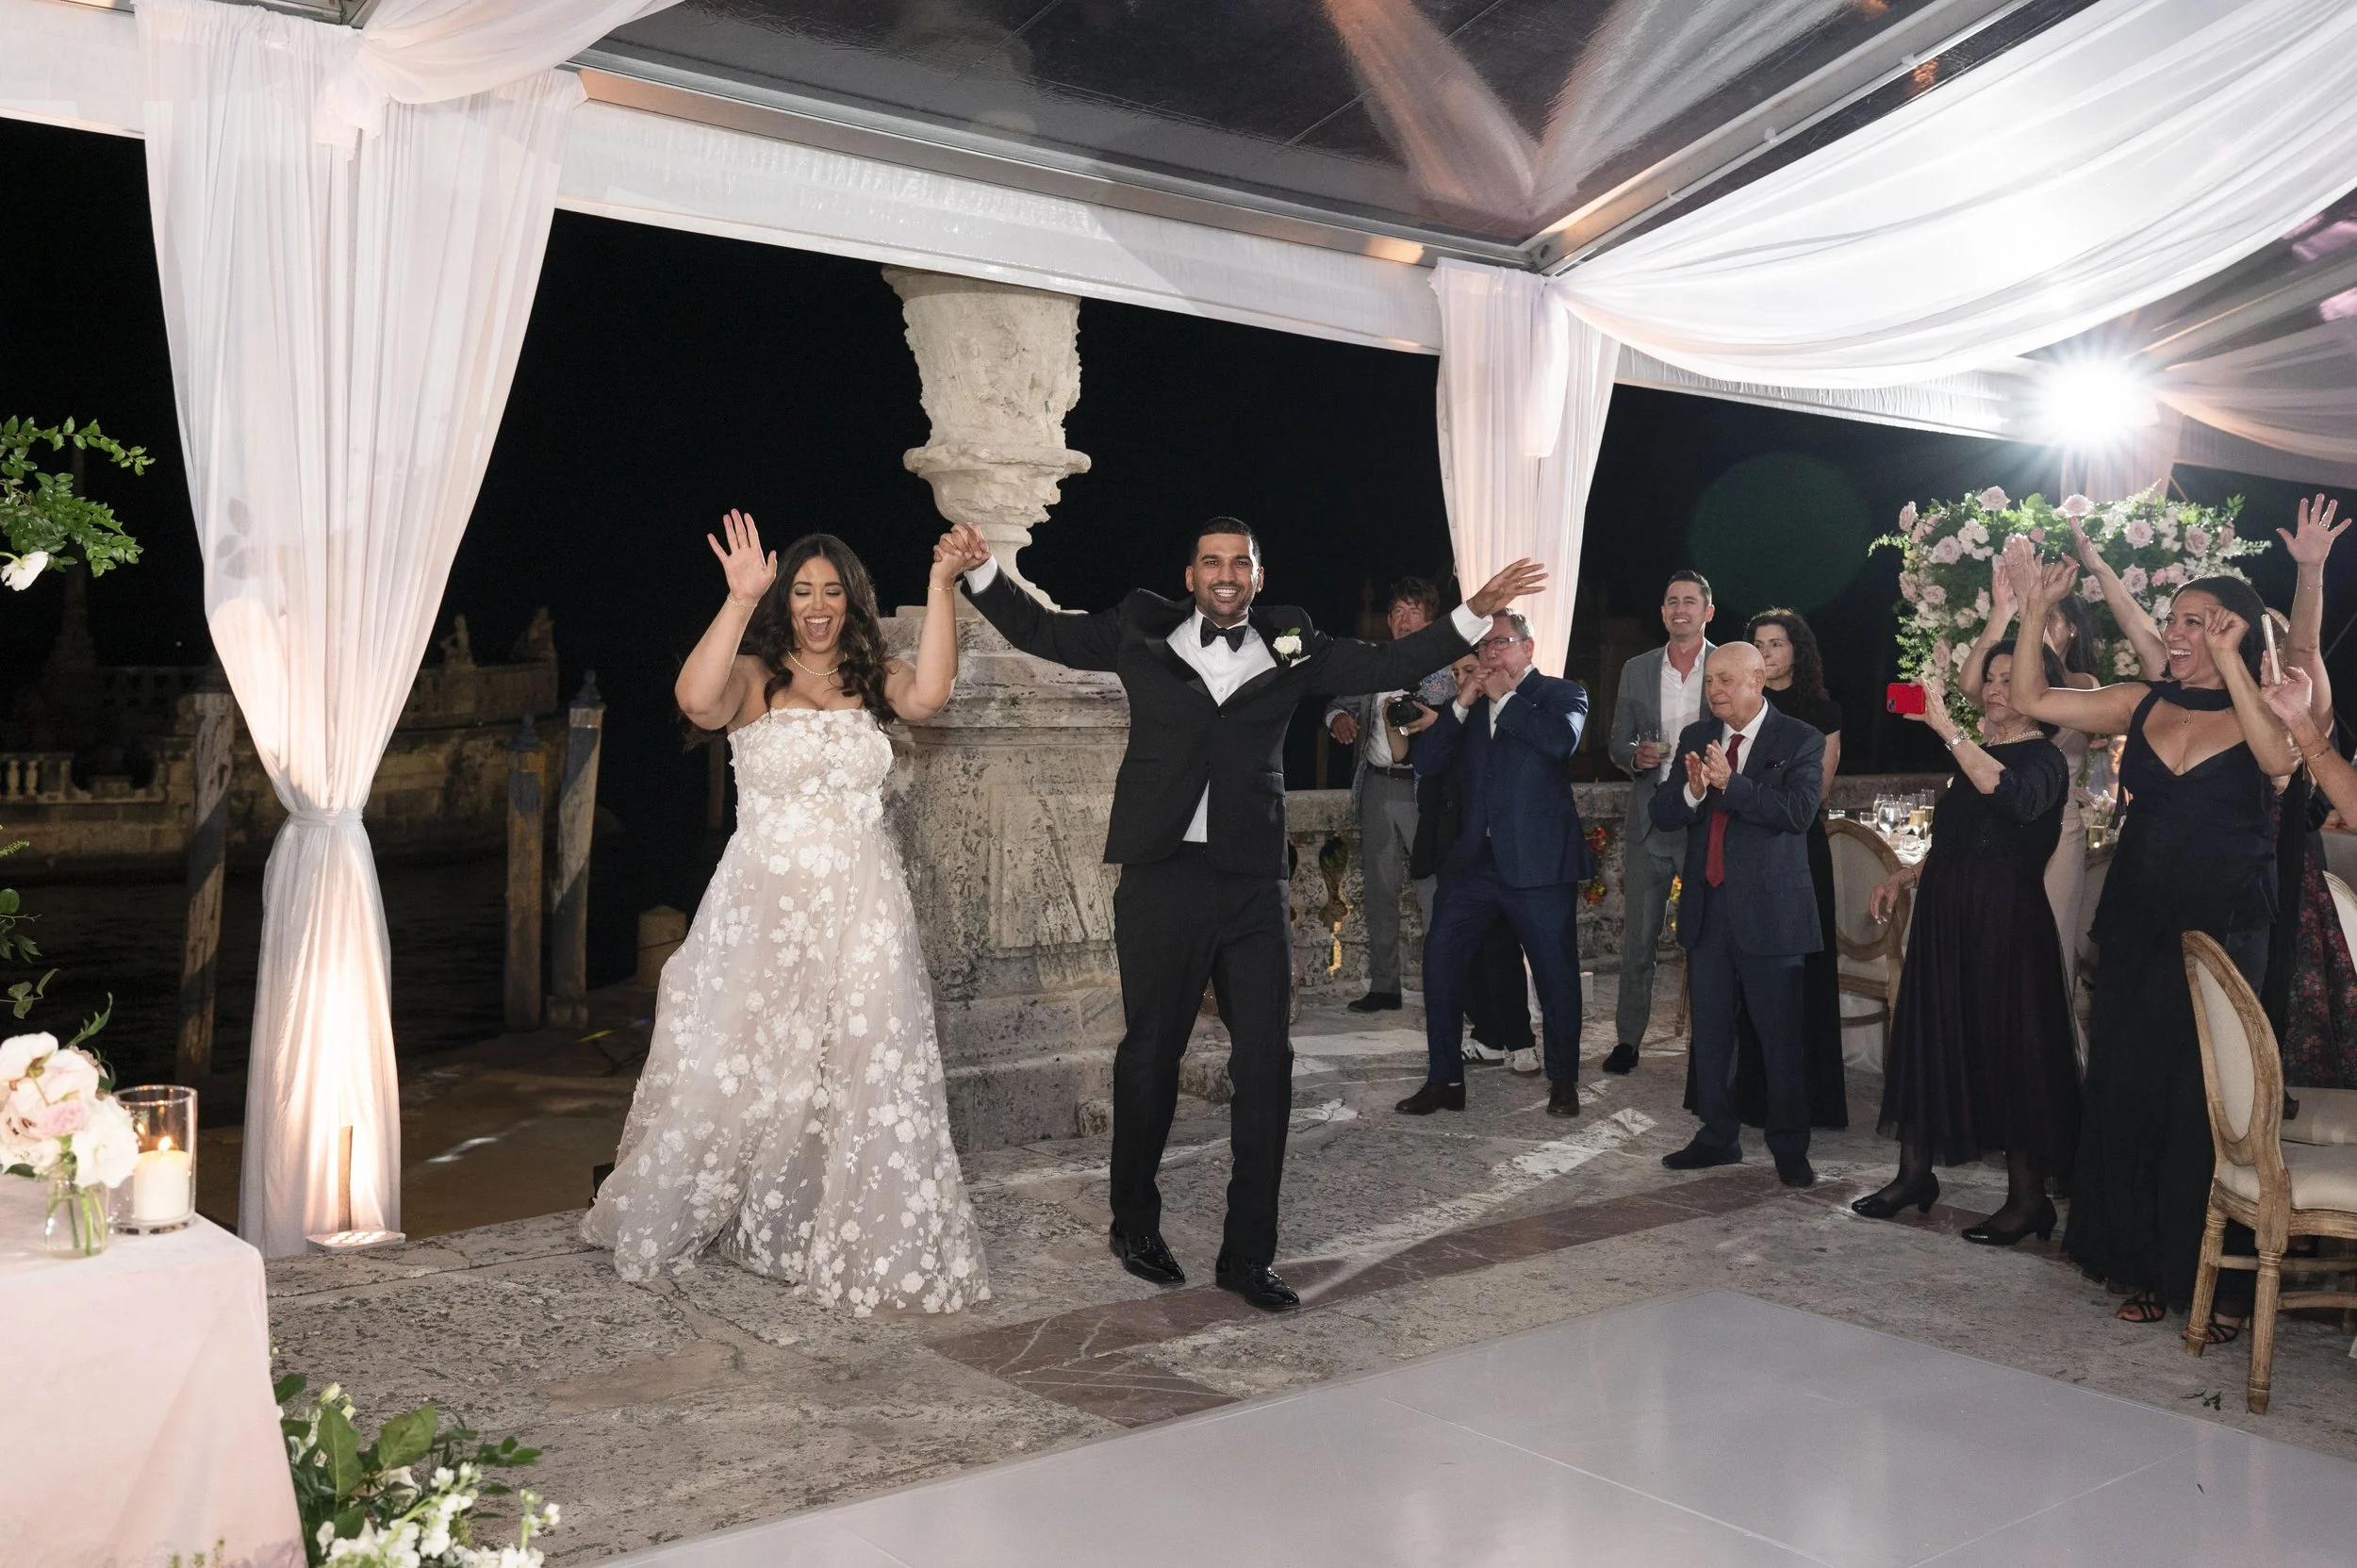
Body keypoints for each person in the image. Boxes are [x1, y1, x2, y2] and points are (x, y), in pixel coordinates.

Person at [961, 516, 1541, 1311]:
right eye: (1212, 561)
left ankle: (1248, 1252)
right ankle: (1134, 1222)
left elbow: (1392, 661)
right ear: (1190, 574)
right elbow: (1045, 633)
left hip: (1251, 882)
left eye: (1241, 562)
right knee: (1150, 1054)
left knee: (1266, 1062)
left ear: (1259, 577)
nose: (1226, 573)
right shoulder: (1140, 624)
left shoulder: (1292, 638)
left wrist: (1472, 612)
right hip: (1162, 874)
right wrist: (983, 573)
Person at [584, 514, 989, 1314]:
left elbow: (930, 694)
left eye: (832, 591)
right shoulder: (753, 676)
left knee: (864, 1060)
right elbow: (694, 701)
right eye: (803, 591)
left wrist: (942, 585)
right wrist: (739, 599)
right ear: (785, 602)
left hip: (865, 904)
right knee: (745, 1063)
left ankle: (849, 1230)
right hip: (765, 907)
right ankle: (728, 1209)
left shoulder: (874, 676)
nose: (818, 605)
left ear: (851, 602)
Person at [2003, 538, 2293, 1333]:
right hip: (2138, 919)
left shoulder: (2266, 706)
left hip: (2224, 929)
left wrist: (2233, 665)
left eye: (2198, 621)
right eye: (2174, 618)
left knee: (2206, 1100)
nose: (2176, 631)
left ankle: (2211, 1275)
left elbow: (2278, 762)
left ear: (2235, 629)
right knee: (2130, 1088)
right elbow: (2030, 697)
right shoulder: (2140, 700)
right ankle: (2140, 1262)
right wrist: (2033, 610)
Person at [1853, 647, 2081, 1245]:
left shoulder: (2046, 759)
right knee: (1931, 1032)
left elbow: (2011, 800)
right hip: (1945, 916)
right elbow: (1961, 839)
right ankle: (1913, 1174)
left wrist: (1947, 728)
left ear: (2040, 692)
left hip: (2004, 923)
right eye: (1993, 679)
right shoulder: (1979, 751)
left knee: (2007, 1049)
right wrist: (1905, 876)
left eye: (2012, 679)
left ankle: (2029, 1201)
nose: (1998, 688)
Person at [1395, 612, 1592, 1118]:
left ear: (1528, 647)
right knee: (1440, 964)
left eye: (1501, 643)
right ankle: (1444, 1080)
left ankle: (1563, 1080)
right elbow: (1427, 762)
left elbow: (1560, 742)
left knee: (1555, 974)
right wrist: (1462, 702)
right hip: (1472, 866)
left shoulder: (1562, 694)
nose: (1491, 653)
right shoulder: (1468, 704)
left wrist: (1506, 698)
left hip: (1539, 865)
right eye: (1485, 646)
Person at [1651, 642, 1827, 1187]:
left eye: (1727, 680)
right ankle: (1717, 1136)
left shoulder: (1799, 738)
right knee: (1710, 1036)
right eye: (1711, 681)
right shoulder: (1697, 737)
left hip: (1772, 913)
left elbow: (1799, 813)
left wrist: (1732, 784)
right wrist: (1692, 791)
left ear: (1759, 680)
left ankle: (1790, 1147)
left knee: (1779, 1039)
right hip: (1709, 909)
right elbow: (1663, 812)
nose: (1716, 690)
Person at [1710, 608, 1847, 1131]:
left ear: (1797, 651)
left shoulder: (1818, 714)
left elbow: (1812, 797)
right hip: (1737, 848)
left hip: (1794, 851)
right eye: (1760, 644)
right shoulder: (1728, 711)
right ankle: (1737, 1097)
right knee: (1734, 977)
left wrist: (1746, 791)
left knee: (1794, 981)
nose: (1768, 652)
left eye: (1777, 644)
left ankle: (1798, 1103)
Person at [1961, 535, 2118, 976]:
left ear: (2073, 629)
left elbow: (2041, 693)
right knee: (1994, 948)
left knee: (2047, 948)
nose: (2038, 618)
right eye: (2037, 614)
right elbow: (1970, 684)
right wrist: (2003, 612)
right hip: (1996, 824)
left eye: (2051, 616)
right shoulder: (2004, 683)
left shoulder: (2083, 684)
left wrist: (2034, 603)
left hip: (2054, 832)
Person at [1324, 579, 1455, 1015]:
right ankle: (1385, 987)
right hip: (1377, 785)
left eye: (1414, 611)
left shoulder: (1444, 669)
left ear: (1430, 622)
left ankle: (1444, 986)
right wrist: (1338, 718)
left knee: (1432, 891)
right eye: (1397, 610)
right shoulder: (1374, 662)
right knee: (1379, 891)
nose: (1404, 619)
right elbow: (1336, 702)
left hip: (1423, 790)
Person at [2262, 497, 2357, 1090]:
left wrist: (2310, 572)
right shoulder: (2227, 710)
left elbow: (2303, 646)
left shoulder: (2302, 705)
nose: (2271, 660)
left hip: (2287, 872)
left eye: (2274, 647)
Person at [1604, 571, 1716, 1075]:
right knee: (1639, 943)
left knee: (1707, 942)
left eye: (1690, 601)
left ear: (1708, 612)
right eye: (1672, 601)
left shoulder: (1725, 665)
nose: (1680, 609)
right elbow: (1616, 742)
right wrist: (1635, 756)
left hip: (1705, 821)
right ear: (1663, 612)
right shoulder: (1637, 669)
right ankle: (1628, 1040)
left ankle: (1707, 1044)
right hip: (1650, 821)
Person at [1409, 652, 1537, 1067]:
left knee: (1500, 949)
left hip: (1496, 852)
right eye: (1457, 673)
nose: (1465, 679)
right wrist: (1449, 718)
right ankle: (1487, 1036)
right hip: (1455, 847)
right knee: (1461, 955)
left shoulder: (1505, 710)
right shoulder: (1454, 713)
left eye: (1470, 670)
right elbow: (1426, 762)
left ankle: (1520, 1041)